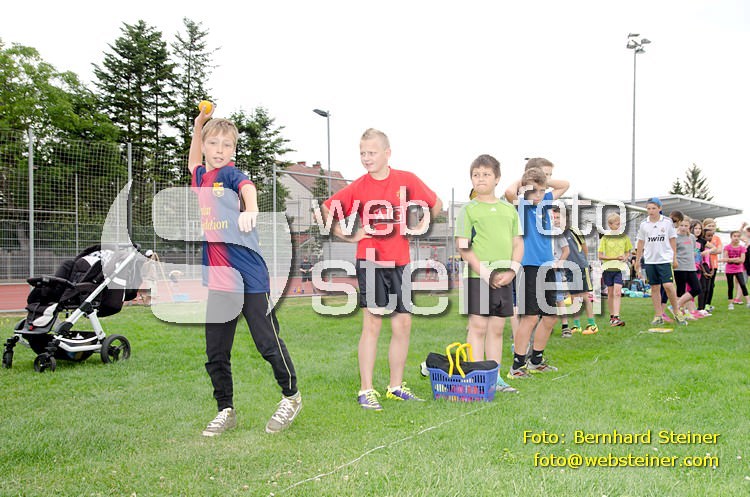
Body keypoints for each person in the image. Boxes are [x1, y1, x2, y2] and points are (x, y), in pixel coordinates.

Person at [189, 104, 301, 436]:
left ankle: (291, 397)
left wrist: (251, 209)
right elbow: (193, 161)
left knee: (267, 342)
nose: (219, 150)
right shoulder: (201, 177)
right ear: (205, 146)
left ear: (233, 151)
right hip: (221, 280)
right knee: (216, 352)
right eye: (213, 143)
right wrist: (198, 125)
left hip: (249, 275)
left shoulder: (229, 175)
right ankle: (225, 410)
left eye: (226, 145)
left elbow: (247, 186)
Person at [321, 128, 443, 410]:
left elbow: (435, 204)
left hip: (400, 262)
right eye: (362, 153)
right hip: (371, 261)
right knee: (373, 323)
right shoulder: (358, 187)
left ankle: (396, 387)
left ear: (387, 153)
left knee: (403, 324)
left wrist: (420, 225)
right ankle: (366, 390)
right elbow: (327, 211)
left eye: (372, 152)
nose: (366, 158)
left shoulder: (406, 180)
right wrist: (350, 235)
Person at [455, 154, 523, 393]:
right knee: (478, 327)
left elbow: (518, 243)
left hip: (504, 277)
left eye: (486, 174)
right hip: (478, 277)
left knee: (497, 329)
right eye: (476, 175)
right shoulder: (468, 210)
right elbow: (463, 245)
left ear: (497, 179)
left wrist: (512, 270)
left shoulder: (509, 210)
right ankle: (476, 377)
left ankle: (495, 378)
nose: (480, 178)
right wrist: (485, 272)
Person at [504, 161, 569, 379]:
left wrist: (542, 181)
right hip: (528, 267)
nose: (538, 194)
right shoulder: (522, 204)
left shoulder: (545, 201)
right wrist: (526, 180)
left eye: (542, 190)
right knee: (530, 318)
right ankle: (517, 366)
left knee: (550, 317)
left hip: (547, 265)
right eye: (534, 190)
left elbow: (565, 185)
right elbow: (508, 191)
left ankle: (536, 360)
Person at [634, 198, 687, 326]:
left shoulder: (667, 222)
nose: (651, 211)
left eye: (653, 208)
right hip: (650, 260)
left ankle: (677, 312)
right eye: (648, 208)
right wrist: (637, 260)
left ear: (659, 208)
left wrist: (674, 258)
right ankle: (658, 315)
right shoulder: (644, 224)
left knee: (668, 285)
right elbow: (640, 242)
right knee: (654, 287)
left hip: (664, 259)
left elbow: (672, 240)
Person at [559, 208, 599, 335]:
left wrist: (583, 262)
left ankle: (592, 324)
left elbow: (584, 247)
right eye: (555, 218)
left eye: (559, 217)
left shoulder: (574, 230)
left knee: (585, 295)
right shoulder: (556, 234)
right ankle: (577, 325)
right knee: (574, 297)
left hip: (581, 267)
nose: (557, 220)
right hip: (568, 269)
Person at [598, 213, 632, 327]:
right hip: (608, 269)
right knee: (611, 293)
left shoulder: (624, 237)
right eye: (617, 224)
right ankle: (612, 316)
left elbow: (628, 252)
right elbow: (600, 256)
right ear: (610, 225)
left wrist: (625, 257)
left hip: (620, 269)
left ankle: (617, 317)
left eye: (620, 224)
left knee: (617, 292)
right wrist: (615, 258)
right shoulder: (605, 238)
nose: (619, 226)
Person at [674, 218, 703, 318]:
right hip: (679, 267)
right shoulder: (675, 238)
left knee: (697, 289)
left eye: (686, 226)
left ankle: (676, 306)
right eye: (681, 225)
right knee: (680, 290)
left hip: (691, 267)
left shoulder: (692, 237)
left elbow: (694, 250)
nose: (683, 228)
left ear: (689, 227)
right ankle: (680, 312)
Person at [720, 231, 750, 309]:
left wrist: (732, 259)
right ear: (731, 237)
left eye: (738, 236)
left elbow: (742, 260)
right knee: (730, 286)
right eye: (734, 236)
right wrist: (736, 259)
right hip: (729, 270)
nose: (736, 238)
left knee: (743, 285)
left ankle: (748, 302)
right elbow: (726, 259)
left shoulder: (742, 248)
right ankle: (730, 304)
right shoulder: (727, 247)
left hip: (739, 269)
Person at [701, 219, 722, 312]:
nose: (711, 228)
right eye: (709, 226)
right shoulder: (702, 238)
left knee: (711, 286)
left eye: (713, 226)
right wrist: (713, 250)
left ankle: (707, 304)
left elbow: (719, 250)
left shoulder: (716, 238)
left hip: (714, 264)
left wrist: (710, 250)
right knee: (704, 286)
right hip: (704, 264)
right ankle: (701, 305)